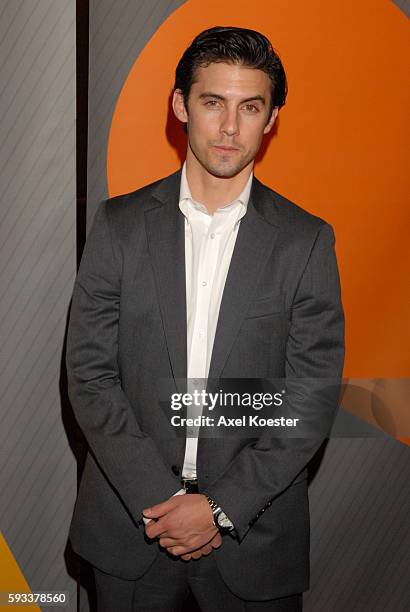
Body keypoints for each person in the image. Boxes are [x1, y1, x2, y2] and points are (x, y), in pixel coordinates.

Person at [66, 26, 345, 611]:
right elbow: (90, 377)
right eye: (212, 102)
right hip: (129, 529)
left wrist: (218, 507)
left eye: (250, 107)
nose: (228, 127)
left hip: (253, 538)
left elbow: (310, 399)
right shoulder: (119, 226)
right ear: (180, 105)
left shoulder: (306, 242)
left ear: (270, 120)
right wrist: (164, 500)